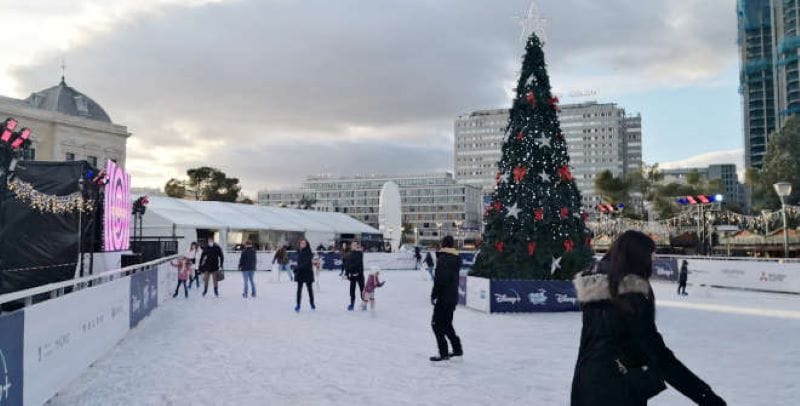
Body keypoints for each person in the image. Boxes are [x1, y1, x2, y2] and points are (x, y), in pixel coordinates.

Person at [571, 230, 725, 406]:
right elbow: (657, 354)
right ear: (637, 257)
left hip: (585, 385)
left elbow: (587, 349)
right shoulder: (631, 296)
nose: (653, 260)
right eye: (650, 255)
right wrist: (706, 396)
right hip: (618, 392)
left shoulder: (594, 293)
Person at [429, 236, 462, 362]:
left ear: (443, 244)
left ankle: (443, 352)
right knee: (447, 324)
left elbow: (439, 280)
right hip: (452, 297)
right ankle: (457, 349)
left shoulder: (443, 259)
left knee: (436, 325)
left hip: (444, 297)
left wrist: (434, 295)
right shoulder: (456, 258)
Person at [294, 239, 315, 312]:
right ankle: (298, 304)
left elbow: (306, 263)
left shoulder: (309, 252)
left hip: (307, 273)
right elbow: (299, 262)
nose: (302, 244)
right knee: (299, 290)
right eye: (301, 243)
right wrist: (297, 268)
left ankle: (312, 303)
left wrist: (297, 268)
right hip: (300, 273)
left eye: (304, 243)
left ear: (306, 244)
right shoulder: (299, 252)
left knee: (309, 289)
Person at [345, 241, 365, 311]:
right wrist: (347, 274)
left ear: (357, 246)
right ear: (351, 246)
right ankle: (352, 304)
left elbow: (359, 264)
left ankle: (364, 304)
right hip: (352, 275)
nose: (354, 246)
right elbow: (347, 265)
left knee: (362, 290)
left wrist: (357, 272)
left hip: (360, 275)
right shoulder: (348, 254)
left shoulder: (360, 253)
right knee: (352, 290)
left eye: (355, 245)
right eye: (353, 245)